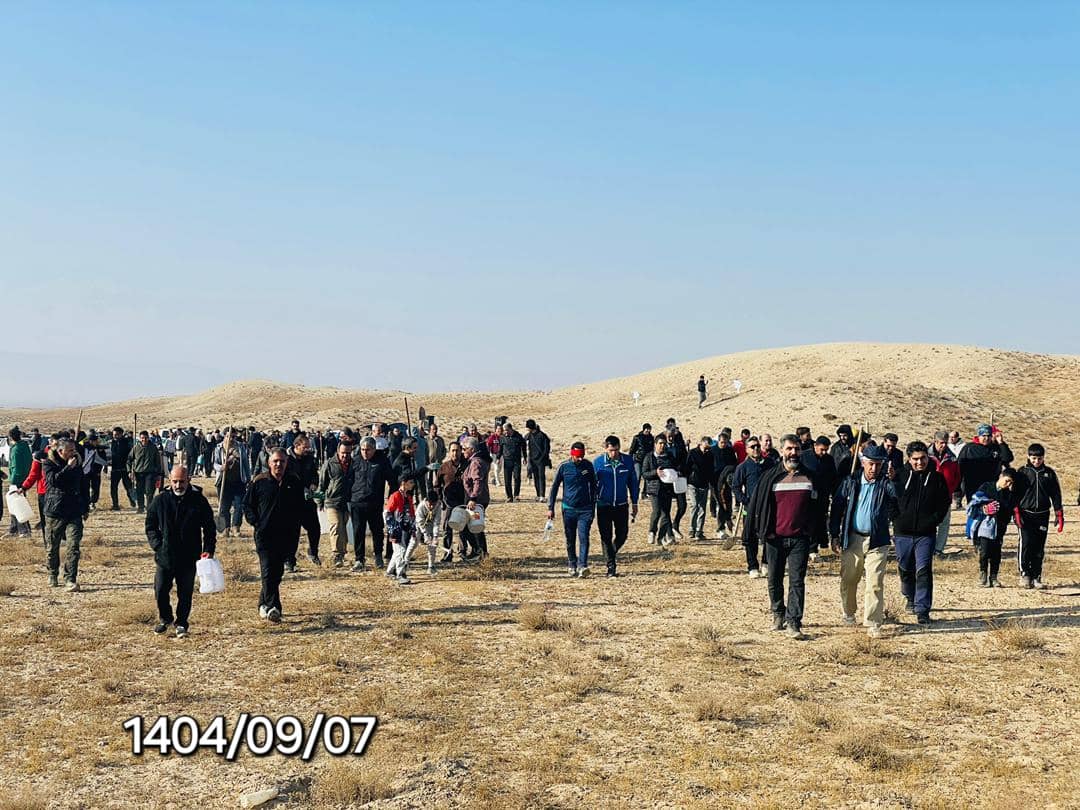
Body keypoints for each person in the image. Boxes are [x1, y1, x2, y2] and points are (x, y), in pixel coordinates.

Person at [744, 435, 824, 640]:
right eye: (789, 449)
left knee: (797, 581)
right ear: (782, 451)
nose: (793, 453)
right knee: (774, 579)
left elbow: (818, 509)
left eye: (796, 449)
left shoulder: (810, 477)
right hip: (775, 538)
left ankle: (794, 622)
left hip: (800, 539)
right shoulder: (770, 477)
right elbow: (757, 506)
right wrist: (754, 533)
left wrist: (815, 536)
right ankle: (778, 613)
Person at [830, 443, 898, 638]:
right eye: (871, 464)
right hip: (853, 538)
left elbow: (898, 500)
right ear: (863, 462)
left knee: (875, 583)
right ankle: (849, 612)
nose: (874, 468)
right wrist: (834, 535)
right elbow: (837, 508)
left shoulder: (885, 483)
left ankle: (873, 622)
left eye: (878, 464)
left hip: (877, 540)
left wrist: (895, 479)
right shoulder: (850, 482)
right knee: (849, 578)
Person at [145, 465, 216, 638]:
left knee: (185, 593)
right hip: (165, 555)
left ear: (188, 480)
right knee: (160, 590)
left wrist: (208, 550)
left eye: (182, 482)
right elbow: (150, 525)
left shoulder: (198, 500)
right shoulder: (160, 500)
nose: (178, 485)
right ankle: (165, 619)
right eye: (175, 481)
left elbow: (209, 528)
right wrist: (158, 545)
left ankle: (182, 623)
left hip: (189, 556)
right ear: (170, 481)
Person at [244, 449, 315, 622]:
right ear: (269, 463)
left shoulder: (294, 482)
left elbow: (302, 507)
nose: (278, 464)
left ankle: (262, 604)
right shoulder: (259, 481)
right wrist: (256, 522)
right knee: (267, 570)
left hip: (287, 536)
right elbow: (247, 505)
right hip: (265, 535)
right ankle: (274, 607)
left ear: (286, 463)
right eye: (275, 461)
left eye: (282, 461)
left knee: (277, 572)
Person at [891, 441, 951, 625]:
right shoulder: (899, 476)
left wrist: (934, 520)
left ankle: (923, 609)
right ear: (909, 459)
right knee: (905, 568)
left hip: (926, 534)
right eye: (915, 459)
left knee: (924, 570)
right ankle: (909, 596)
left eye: (923, 458)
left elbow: (944, 502)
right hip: (902, 532)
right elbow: (890, 499)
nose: (920, 462)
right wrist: (896, 518)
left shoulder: (937, 478)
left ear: (927, 457)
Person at [1014, 444, 1063, 589]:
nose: (1036, 461)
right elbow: (1015, 493)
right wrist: (1016, 512)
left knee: (1039, 547)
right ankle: (1025, 574)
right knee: (1026, 543)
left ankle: (1036, 576)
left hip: (1042, 514)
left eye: (1039, 458)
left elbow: (1055, 494)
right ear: (1028, 457)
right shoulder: (1022, 472)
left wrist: (1059, 513)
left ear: (1043, 458)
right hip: (1025, 513)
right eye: (1034, 458)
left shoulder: (1049, 473)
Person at [548, 442, 598, 577]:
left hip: (585, 509)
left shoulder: (588, 466)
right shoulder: (564, 467)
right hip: (568, 509)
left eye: (582, 456)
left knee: (584, 537)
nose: (580, 459)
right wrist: (550, 507)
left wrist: (593, 506)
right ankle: (572, 563)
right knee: (570, 539)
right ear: (571, 454)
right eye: (577, 456)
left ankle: (583, 566)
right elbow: (554, 487)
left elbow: (594, 485)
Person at [43, 439, 86, 591]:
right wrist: (67, 468)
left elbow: (83, 485)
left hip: (74, 511)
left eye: (74, 450)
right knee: (52, 546)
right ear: (60, 451)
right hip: (55, 511)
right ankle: (52, 573)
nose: (73, 453)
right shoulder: (49, 464)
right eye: (70, 450)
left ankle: (70, 578)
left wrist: (85, 507)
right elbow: (53, 481)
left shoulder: (77, 464)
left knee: (73, 546)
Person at [349, 437, 397, 571]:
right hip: (357, 502)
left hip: (374, 503)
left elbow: (392, 480)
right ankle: (359, 559)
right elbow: (349, 480)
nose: (365, 452)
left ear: (374, 449)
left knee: (377, 531)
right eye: (363, 449)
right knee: (358, 531)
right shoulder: (355, 460)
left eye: (368, 450)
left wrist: (391, 499)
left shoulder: (382, 461)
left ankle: (378, 556)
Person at [592, 436, 638, 577]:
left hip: (621, 504)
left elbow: (633, 482)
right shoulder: (598, 463)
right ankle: (611, 567)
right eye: (611, 450)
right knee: (605, 536)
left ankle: (610, 552)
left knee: (622, 534)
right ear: (606, 448)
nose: (614, 453)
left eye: (616, 450)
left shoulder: (627, 461)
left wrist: (634, 502)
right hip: (604, 505)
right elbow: (592, 484)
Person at [732, 437, 776, 577]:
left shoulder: (770, 463)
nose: (756, 449)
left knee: (769, 536)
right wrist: (745, 501)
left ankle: (766, 563)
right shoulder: (743, 467)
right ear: (746, 450)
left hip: (768, 507)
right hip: (750, 509)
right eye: (752, 447)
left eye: (757, 446)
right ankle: (752, 566)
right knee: (750, 539)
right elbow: (736, 487)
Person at [967, 470, 1018, 588]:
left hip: (1000, 526)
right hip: (984, 526)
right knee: (984, 552)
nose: (1008, 484)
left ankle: (994, 576)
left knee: (996, 553)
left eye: (1011, 483)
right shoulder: (986, 487)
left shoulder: (1009, 494)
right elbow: (974, 503)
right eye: (1007, 481)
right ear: (1001, 476)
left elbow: (1008, 510)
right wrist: (984, 509)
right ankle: (983, 574)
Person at [319, 437, 356, 568]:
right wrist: (320, 501)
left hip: (347, 501)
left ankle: (342, 552)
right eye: (343, 453)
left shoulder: (354, 464)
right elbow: (322, 483)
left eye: (348, 453)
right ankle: (336, 554)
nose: (345, 455)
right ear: (338, 451)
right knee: (336, 525)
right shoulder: (329, 464)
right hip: (332, 500)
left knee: (343, 527)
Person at [284, 434, 320, 570]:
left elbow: (315, 475)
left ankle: (313, 553)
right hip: (291, 501)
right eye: (305, 447)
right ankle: (289, 561)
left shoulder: (309, 459)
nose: (307, 450)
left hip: (307, 500)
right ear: (296, 446)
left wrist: (314, 484)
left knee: (315, 529)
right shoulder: (286, 459)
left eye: (308, 447)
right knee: (293, 533)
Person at [799, 436, 836, 560]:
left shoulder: (829, 459)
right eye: (822, 450)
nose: (824, 452)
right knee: (805, 522)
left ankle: (813, 549)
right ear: (815, 446)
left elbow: (833, 478)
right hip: (806, 496)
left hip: (822, 497)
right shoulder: (804, 457)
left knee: (818, 522)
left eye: (826, 450)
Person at [213, 429, 252, 538]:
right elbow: (215, 464)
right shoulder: (218, 448)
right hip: (224, 482)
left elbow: (245, 463)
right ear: (224, 436)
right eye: (229, 436)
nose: (231, 439)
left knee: (239, 505)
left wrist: (248, 479)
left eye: (233, 437)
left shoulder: (240, 447)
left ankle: (236, 527)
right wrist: (221, 467)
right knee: (224, 506)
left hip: (238, 481)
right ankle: (225, 529)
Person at [927, 431, 961, 555]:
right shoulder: (926, 456)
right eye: (941, 443)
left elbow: (957, 476)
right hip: (928, 495)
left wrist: (950, 489)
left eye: (946, 443)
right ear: (935, 442)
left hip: (946, 495)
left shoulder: (952, 457)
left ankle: (939, 549)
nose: (944, 445)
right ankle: (927, 547)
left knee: (944, 523)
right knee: (929, 522)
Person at [958, 424, 1007, 504]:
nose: (986, 438)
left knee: (991, 509)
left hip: (991, 485)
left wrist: (1001, 443)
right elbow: (960, 466)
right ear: (979, 436)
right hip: (973, 486)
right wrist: (958, 487)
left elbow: (1007, 458)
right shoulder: (969, 448)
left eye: (989, 436)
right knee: (975, 508)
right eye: (984, 436)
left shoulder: (996, 448)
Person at [641, 434, 676, 546]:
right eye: (660, 443)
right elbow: (644, 473)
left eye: (664, 444)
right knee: (656, 511)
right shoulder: (649, 457)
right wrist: (655, 473)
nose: (662, 446)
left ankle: (661, 538)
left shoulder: (669, 456)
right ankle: (652, 531)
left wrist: (674, 473)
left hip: (667, 489)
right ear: (655, 444)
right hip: (654, 489)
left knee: (666, 514)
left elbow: (675, 467)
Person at [437, 441, 468, 561]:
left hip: (462, 502)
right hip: (448, 503)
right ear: (449, 452)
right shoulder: (444, 467)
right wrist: (440, 499)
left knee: (463, 528)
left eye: (457, 450)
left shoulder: (467, 465)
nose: (455, 453)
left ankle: (462, 551)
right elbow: (437, 485)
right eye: (453, 450)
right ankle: (447, 553)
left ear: (461, 451)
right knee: (446, 529)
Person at [384, 477, 418, 585]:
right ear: (403, 483)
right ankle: (401, 574)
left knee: (398, 551)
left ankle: (390, 571)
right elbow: (387, 513)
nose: (412, 484)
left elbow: (412, 514)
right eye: (410, 482)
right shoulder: (395, 496)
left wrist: (413, 528)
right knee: (401, 551)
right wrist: (391, 528)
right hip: (396, 529)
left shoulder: (408, 497)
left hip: (405, 528)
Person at [461, 437, 491, 558]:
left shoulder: (475, 463)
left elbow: (477, 481)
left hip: (476, 501)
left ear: (472, 449)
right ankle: (478, 551)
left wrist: (473, 498)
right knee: (471, 525)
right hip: (477, 499)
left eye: (464, 449)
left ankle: (481, 552)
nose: (463, 451)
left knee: (475, 526)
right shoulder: (475, 461)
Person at [685, 437, 714, 541]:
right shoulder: (693, 453)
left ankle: (699, 531)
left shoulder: (710, 454)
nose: (707, 450)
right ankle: (691, 529)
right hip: (693, 484)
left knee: (702, 508)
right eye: (706, 448)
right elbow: (687, 467)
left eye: (708, 448)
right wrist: (687, 479)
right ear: (701, 443)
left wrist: (710, 482)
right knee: (694, 505)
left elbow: (711, 469)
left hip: (704, 484)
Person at [128, 430, 163, 514]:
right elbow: (129, 460)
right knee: (139, 491)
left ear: (148, 438)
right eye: (142, 438)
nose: (144, 439)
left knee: (149, 491)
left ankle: (149, 508)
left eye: (146, 438)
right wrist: (129, 471)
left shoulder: (153, 447)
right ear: (140, 438)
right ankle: (140, 507)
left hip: (150, 473)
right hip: (139, 473)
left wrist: (159, 474)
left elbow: (157, 462)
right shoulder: (136, 448)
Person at [7, 428, 31, 536]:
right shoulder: (24, 446)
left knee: (19, 505)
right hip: (24, 478)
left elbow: (16, 466)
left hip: (17, 480)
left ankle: (24, 530)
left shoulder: (16, 449)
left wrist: (12, 480)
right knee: (14, 504)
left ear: (11, 437)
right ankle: (14, 529)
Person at [108, 426, 135, 510]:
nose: (114, 436)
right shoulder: (111, 443)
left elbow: (131, 455)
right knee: (113, 488)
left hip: (125, 469)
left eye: (116, 434)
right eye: (114, 434)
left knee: (128, 487)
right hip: (115, 469)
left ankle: (132, 500)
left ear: (121, 434)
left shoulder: (127, 442)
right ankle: (115, 505)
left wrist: (131, 467)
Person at [524, 419, 552, 502]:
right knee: (536, 477)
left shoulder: (542, 435)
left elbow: (546, 449)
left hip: (540, 460)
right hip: (533, 459)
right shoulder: (529, 435)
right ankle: (538, 495)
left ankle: (542, 496)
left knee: (541, 477)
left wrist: (542, 458)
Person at [499, 422, 526, 502]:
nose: (505, 432)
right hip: (507, 460)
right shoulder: (502, 437)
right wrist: (498, 457)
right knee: (507, 479)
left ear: (511, 429)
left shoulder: (518, 436)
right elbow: (500, 448)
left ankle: (516, 495)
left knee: (517, 477)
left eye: (507, 430)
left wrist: (524, 457)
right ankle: (509, 496)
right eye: (504, 430)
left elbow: (523, 447)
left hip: (516, 460)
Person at [416, 488, 441, 575]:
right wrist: (425, 535)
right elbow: (420, 522)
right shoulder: (421, 506)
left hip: (430, 525)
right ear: (426, 501)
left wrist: (435, 537)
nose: (431, 507)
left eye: (433, 504)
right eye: (430, 504)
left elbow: (437, 522)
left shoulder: (438, 506)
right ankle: (405, 562)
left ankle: (431, 567)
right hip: (418, 526)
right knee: (413, 543)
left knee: (432, 546)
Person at [81, 430, 107, 512]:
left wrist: (105, 465)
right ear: (90, 441)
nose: (97, 442)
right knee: (85, 488)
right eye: (95, 441)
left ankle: (93, 502)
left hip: (96, 471)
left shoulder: (98, 448)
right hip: (84, 471)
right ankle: (86, 503)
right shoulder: (82, 448)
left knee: (95, 487)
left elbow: (101, 459)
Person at [628, 424, 654, 498]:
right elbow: (632, 449)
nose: (648, 431)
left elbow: (652, 449)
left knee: (646, 477)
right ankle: (634, 492)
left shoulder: (651, 438)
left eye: (649, 429)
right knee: (638, 476)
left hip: (647, 460)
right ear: (644, 429)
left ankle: (644, 493)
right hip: (638, 460)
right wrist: (629, 459)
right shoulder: (637, 438)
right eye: (647, 429)